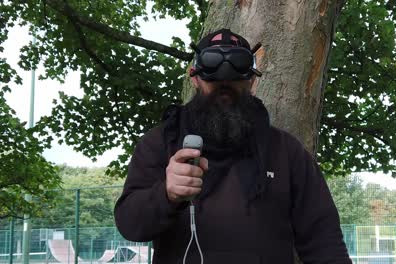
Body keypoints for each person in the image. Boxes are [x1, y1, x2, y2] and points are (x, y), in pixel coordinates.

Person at [114, 28, 352, 264]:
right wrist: (166, 194)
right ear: (195, 78)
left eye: (234, 78)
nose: (224, 85)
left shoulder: (286, 151)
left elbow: (324, 241)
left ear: (251, 81)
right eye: (214, 78)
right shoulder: (161, 143)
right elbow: (131, 226)